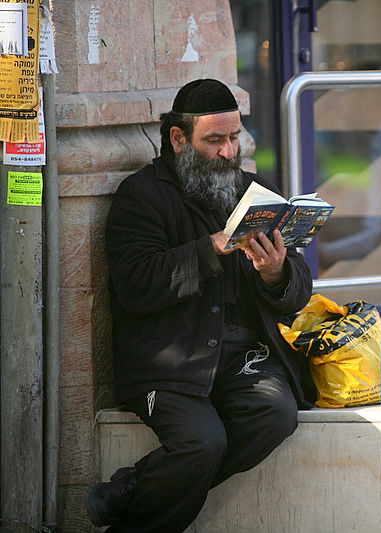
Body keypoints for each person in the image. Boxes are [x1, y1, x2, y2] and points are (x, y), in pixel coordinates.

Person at [87, 79, 316, 532]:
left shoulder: (256, 192)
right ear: (178, 139)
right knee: (201, 444)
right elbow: (135, 284)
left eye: (234, 138)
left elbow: (299, 292)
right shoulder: (142, 195)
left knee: (275, 415)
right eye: (215, 140)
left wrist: (275, 273)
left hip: (245, 360)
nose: (229, 152)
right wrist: (210, 248)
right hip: (170, 365)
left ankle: (129, 490)